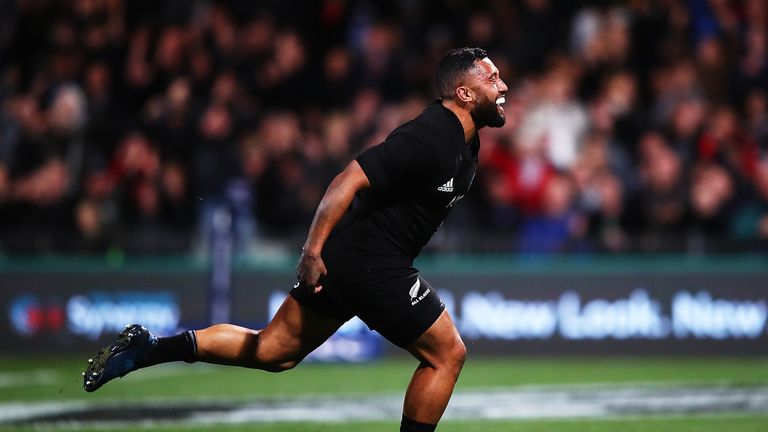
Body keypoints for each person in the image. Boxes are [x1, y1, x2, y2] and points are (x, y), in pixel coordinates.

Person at [82, 47, 508, 431]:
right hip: (371, 260)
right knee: (447, 354)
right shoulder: (433, 134)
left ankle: (149, 348)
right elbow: (347, 180)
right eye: (490, 79)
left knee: (273, 351)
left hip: (354, 258)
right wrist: (312, 250)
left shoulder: (466, 143)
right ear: (464, 94)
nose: (502, 85)